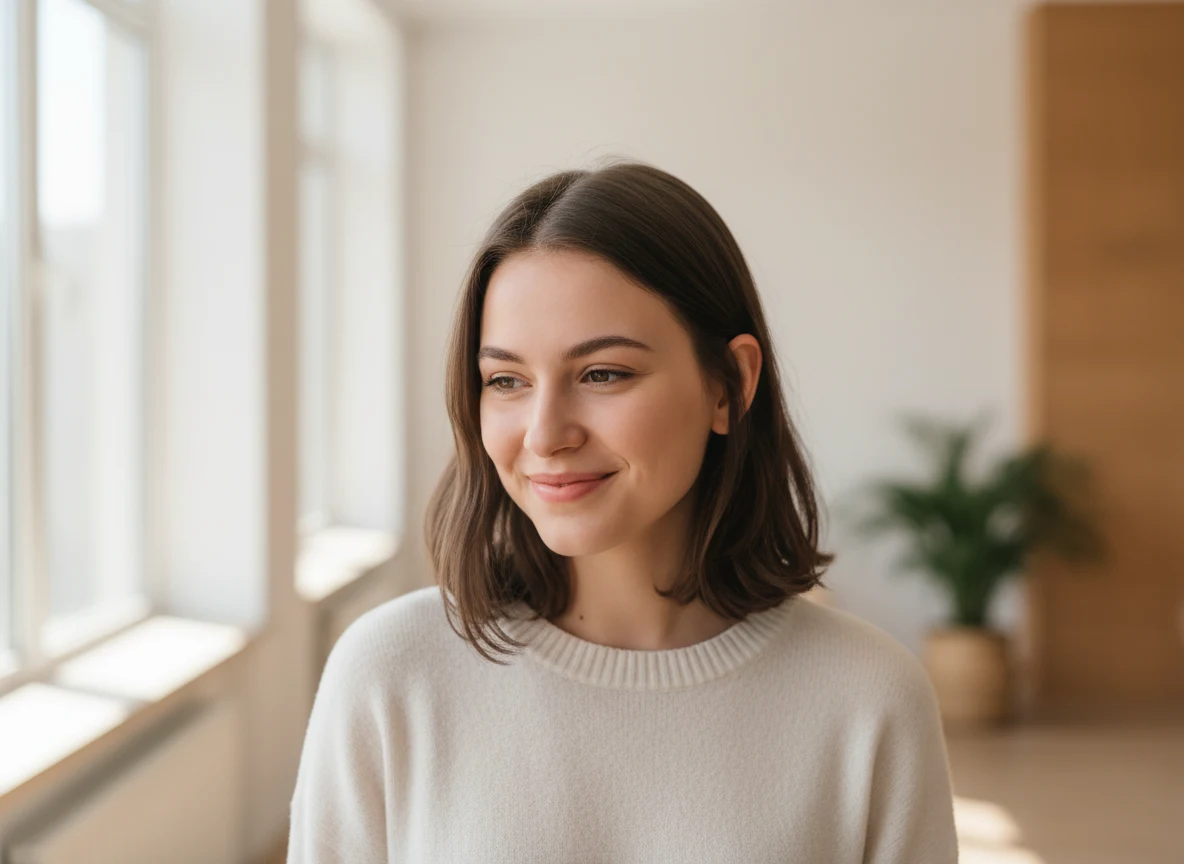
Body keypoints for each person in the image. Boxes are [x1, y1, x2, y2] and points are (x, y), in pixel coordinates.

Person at [287, 161, 959, 863]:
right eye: (506, 380)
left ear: (730, 384)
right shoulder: (391, 674)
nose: (546, 434)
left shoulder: (868, 700)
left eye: (603, 374)